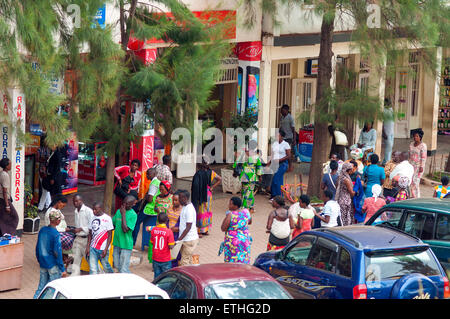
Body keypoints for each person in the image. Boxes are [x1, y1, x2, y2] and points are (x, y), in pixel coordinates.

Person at [33, 209, 68, 299]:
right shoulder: (56, 234)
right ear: (58, 221)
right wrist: (62, 269)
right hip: (53, 265)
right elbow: (57, 253)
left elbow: (37, 247)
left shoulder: (42, 230)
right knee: (54, 289)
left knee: (41, 288)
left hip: (43, 263)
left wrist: (39, 259)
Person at [132, 167, 160, 246]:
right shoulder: (158, 182)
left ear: (154, 174)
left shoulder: (153, 184)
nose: (147, 175)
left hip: (149, 208)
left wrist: (146, 197)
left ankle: (133, 242)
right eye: (147, 174)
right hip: (154, 208)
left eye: (148, 174)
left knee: (136, 222)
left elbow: (150, 199)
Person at [221, 197, 252, 264]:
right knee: (243, 260)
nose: (228, 205)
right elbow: (249, 222)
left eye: (230, 204)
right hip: (245, 241)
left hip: (233, 242)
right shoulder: (246, 212)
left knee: (232, 261)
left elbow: (223, 228)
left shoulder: (231, 215)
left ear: (235, 206)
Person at [85, 202, 114, 275]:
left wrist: (106, 248)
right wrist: (88, 247)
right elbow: (90, 234)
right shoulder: (92, 218)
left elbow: (109, 235)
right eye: (93, 209)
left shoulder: (107, 218)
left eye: (96, 209)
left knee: (106, 266)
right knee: (93, 269)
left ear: (100, 209)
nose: (94, 211)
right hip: (93, 248)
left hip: (103, 248)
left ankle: (113, 277)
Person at [234, 141, 263, 212]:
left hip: (244, 175)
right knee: (250, 191)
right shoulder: (256, 156)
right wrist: (260, 176)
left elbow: (235, 164)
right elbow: (259, 167)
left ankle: (242, 206)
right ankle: (249, 207)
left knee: (244, 190)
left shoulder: (243, 155)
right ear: (255, 147)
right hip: (252, 176)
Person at [112, 196, 138, 273]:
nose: (123, 205)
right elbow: (113, 224)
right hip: (117, 243)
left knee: (124, 269)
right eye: (123, 203)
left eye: (126, 204)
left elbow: (125, 230)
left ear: (132, 204)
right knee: (117, 265)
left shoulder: (133, 215)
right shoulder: (118, 212)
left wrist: (123, 214)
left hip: (126, 245)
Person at [69, 195, 93, 277]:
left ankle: (99, 274)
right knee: (76, 259)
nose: (75, 203)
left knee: (90, 260)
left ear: (81, 200)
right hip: (78, 238)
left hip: (86, 239)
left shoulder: (88, 211)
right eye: (74, 201)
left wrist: (81, 229)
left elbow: (92, 227)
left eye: (77, 201)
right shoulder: (76, 211)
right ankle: (74, 275)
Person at [198, 160, 221, 235]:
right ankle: (206, 229)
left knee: (200, 210)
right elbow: (219, 179)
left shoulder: (200, 173)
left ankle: (199, 230)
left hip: (201, 193)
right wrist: (212, 187)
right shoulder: (212, 172)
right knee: (207, 210)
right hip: (208, 193)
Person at [177, 190, 199, 266]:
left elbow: (188, 227)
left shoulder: (189, 209)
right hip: (186, 239)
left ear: (185, 198)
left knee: (184, 262)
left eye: (180, 198)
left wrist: (179, 239)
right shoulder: (184, 207)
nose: (179, 200)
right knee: (189, 260)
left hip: (189, 240)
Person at [150, 212, 175, 279]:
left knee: (156, 277)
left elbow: (152, 242)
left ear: (157, 220)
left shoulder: (153, 230)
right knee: (166, 278)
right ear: (167, 220)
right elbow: (171, 246)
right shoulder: (169, 231)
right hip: (165, 259)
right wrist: (174, 244)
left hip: (155, 257)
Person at [268, 130, 291, 199]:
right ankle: (279, 196)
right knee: (279, 181)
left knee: (275, 180)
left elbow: (288, 155)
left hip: (283, 164)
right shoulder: (274, 144)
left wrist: (280, 160)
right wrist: (269, 163)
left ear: (282, 137)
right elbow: (272, 155)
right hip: (275, 163)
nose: (277, 137)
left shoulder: (286, 144)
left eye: (278, 136)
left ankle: (276, 196)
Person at [0, 158, 18, 236]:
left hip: (3, 199)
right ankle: (8, 235)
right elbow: (4, 191)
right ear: (6, 166)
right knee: (15, 217)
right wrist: (7, 205)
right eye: (10, 164)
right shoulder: (5, 175)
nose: (11, 165)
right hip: (4, 200)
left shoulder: (2, 173)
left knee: (3, 218)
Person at [409, 129, 427, 198]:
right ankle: (412, 195)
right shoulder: (411, 144)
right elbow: (409, 155)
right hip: (411, 165)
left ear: (420, 137)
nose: (415, 137)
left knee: (416, 182)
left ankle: (416, 197)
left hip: (418, 167)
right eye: (414, 136)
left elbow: (424, 157)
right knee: (411, 182)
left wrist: (421, 166)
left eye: (417, 136)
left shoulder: (423, 146)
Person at [168, 191, 183, 267]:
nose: (174, 202)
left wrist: (176, 229)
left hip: (177, 234)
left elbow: (184, 225)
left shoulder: (183, 211)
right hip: (169, 233)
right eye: (173, 200)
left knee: (176, 253)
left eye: (176, 200)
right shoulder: (169, 208)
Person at [382, 98, 395, 165]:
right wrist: (383, 132)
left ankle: (385, 161)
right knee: (388, 148)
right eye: (389, 102)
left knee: (390, 147)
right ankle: (387, 163)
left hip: (391, 132)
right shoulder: (383, 111)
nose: (390, 103)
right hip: (387, 132)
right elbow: (382, 123)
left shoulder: (391, 109)